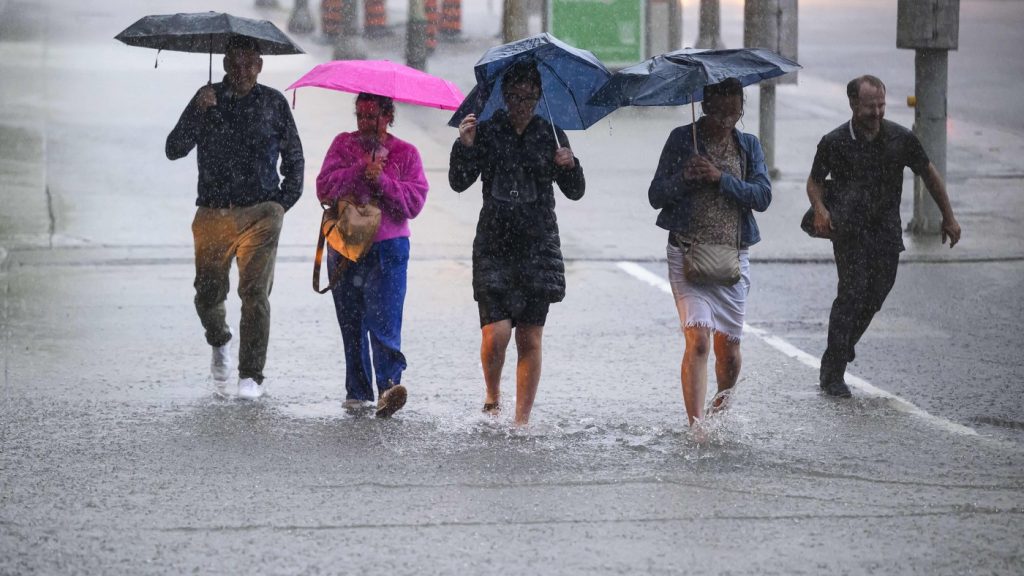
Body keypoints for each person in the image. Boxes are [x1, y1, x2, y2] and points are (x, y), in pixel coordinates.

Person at [165, 35, 304, 400]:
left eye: (250, 64)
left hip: (261, 212)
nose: (242, 71)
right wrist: (198, 110)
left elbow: (295, 158)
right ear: (225, 64)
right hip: (213, 210)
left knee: (255, 293)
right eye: (235, 64)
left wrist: (280, 205)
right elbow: (173, 148)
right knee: (208, 292)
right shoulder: (207, 98)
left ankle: (251, 375)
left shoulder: (273, 103)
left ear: (260, 65)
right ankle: (219, 339)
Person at [449, 61, 585, 426]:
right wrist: (464, 147)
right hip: (495, 243)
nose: (522, 103)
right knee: (497, 333)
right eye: (514, 97)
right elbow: (459, 182)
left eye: (528, 97)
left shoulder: (551, 134)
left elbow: (575, 192)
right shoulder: (488, 131)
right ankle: (493, 394)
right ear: (504, 97)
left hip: (538, 246)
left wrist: (570, 166)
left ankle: (521, 419)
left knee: (529, 336)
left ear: (538, 97)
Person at [807, 75, 962, 398]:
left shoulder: (900, 138)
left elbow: (929, 174)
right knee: (851, 294)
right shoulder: (834, 141)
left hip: (886, 231)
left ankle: (843, 345)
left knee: (877, 293)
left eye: (881, 105)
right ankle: (833, 372)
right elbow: (815, 181)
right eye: (869, 106)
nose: (877, 113)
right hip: (848, 231)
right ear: (852, 104)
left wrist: (948, 216)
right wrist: (820, 209)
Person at [648, 78, 772, 427]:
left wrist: (720, 178)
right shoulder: (681, 140)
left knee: (728, 349)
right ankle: (696, 424)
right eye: (720, 113)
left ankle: (720, 406)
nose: (726, 121)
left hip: (732, 255)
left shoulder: (748, 146)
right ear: (706, 107)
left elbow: (762, 197)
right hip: (688, 252)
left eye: (734, 113)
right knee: (699, 340)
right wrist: (685, 178)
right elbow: (656, 195)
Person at [316, 93, 429, 418]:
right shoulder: (342, 145)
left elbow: (413, 203)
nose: (365, 123)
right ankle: (357, 389)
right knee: (350, 322)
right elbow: (324, 188)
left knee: (385, 321)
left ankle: (389, 386)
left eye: (373, 116)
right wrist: (356, 172)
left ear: (389, 115)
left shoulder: (407, 153)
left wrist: (381, 180)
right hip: (346, 246)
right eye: (361, 116)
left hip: (389, 248)